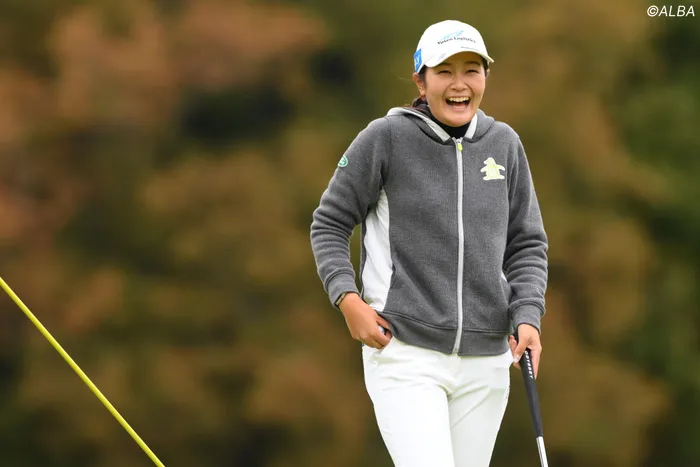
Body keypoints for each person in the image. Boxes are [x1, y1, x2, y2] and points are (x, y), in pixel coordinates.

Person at [310, 19, 548, 467]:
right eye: (444, 72)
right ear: (421, 80)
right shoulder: (385, 138)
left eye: (471, 70)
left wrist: (528, 315)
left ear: (485, 76)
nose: (459, 84)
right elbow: (329, 223)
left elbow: (526, 245)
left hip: (486, 360)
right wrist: (347, 299)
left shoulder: (504, 144)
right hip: (405, 352)